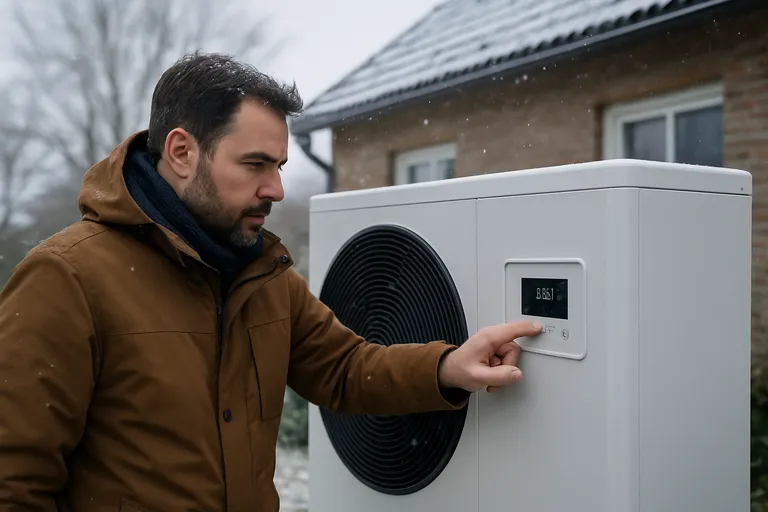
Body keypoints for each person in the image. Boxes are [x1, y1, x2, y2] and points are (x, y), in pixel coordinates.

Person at [0, 52, 543, 511]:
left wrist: (449, 367)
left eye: (280, 165)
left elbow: (344, 368)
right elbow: (14, 477)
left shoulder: (262, 275)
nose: (276, 189)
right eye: (256, 164)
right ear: (183, 153)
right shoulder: (66, 278)